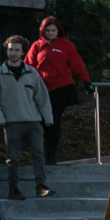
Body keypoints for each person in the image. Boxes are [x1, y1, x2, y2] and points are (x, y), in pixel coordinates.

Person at [0, 34, 54, 199]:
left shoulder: (32, 73)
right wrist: (0, 120)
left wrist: (48, 119)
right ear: (7, 51)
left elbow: (42, 96)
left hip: (33, 121)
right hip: (12, 123)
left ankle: (40, 186)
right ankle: (13, 189)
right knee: (13, 158)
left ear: (23, 52)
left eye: (17, 50)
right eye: (11, 50)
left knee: (38, 153)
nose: (13, 53)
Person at [26, 16, 91, 164]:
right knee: (40, 122)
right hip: (41, 89)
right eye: (47, 31)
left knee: (53, 121)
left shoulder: (66, 45)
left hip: (60, 88)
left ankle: (51, 154)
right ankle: (41, 152)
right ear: (43, 31)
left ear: (58, 31)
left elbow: (77, 65)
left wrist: (86, 81)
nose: (50, 33)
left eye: (53, 30)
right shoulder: (37, 45)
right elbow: (28, 65)